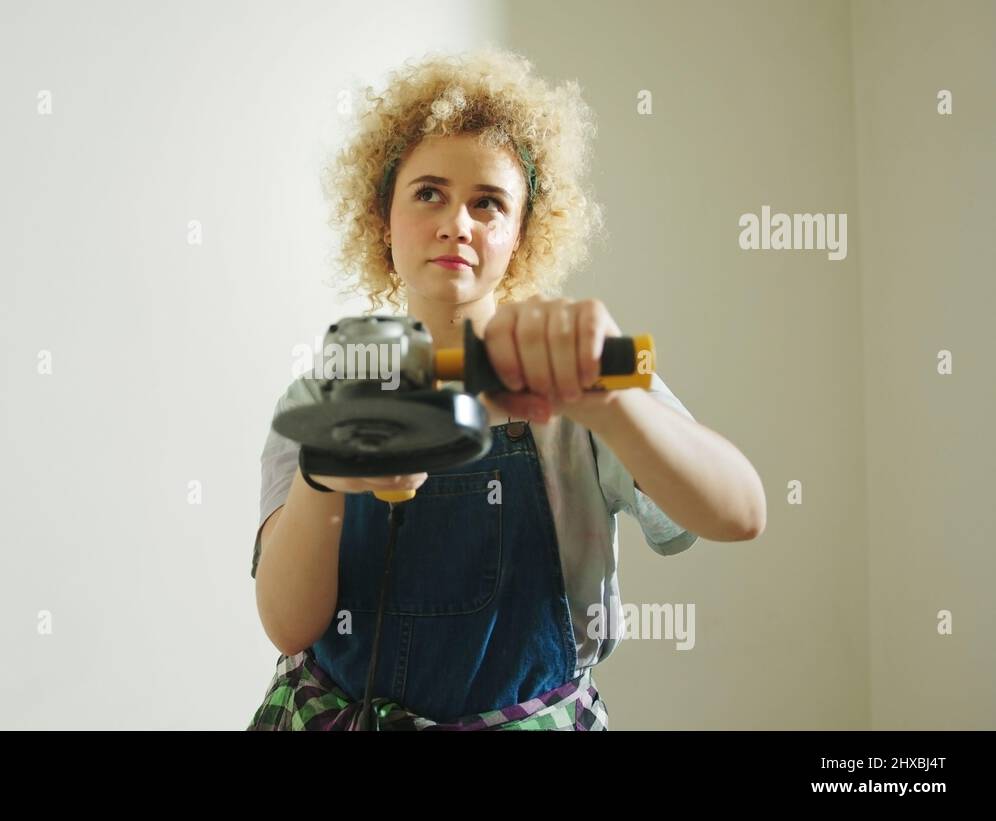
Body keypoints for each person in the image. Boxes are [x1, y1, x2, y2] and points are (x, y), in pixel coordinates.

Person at [248, 47, 766, 730]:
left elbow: (741, 511)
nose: (457, 222)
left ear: (521, 235)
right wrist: (325, 476)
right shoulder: (322, 396)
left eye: (488, 202)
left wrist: (610, 401)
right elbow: (289, 625)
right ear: (384, 217)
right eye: (428, 192)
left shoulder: (581, 369)